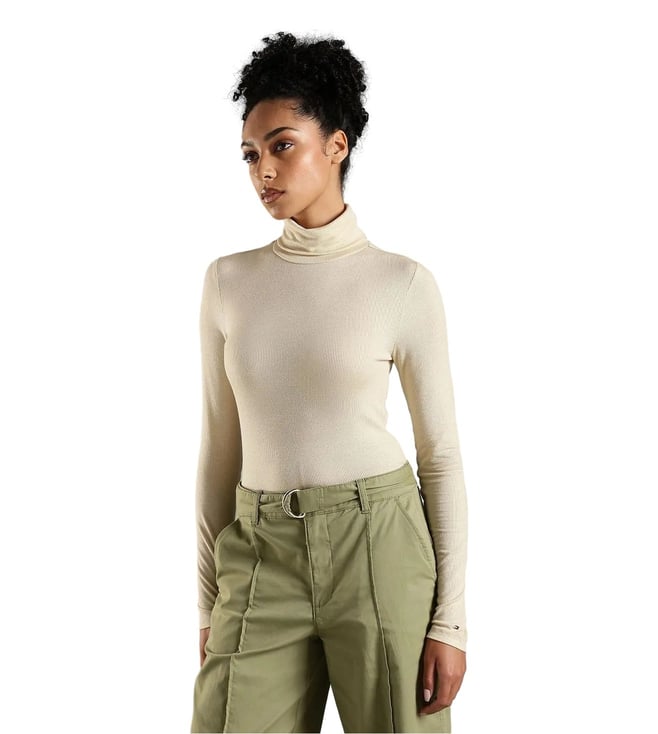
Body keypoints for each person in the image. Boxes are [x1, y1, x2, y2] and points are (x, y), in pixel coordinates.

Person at [189, 31, 468, 734]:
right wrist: (208, 602)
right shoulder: (228, 283)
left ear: (337, 145)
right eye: (250, 154)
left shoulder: (402, 284)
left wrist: (451, 621)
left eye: (282, 146)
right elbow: (220, 449)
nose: (263, 170)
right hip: (258, 554)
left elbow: (439, 457)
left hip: (378, 544)